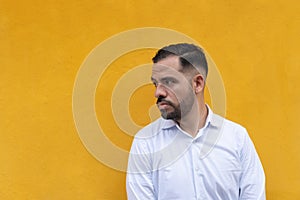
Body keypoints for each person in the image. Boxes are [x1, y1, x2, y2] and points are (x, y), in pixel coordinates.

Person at [126, 43, 265, 200]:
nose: (158, 92)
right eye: (155, 83)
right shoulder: (145, 142)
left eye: (169, 82)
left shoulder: (236, 138)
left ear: (197, 84)